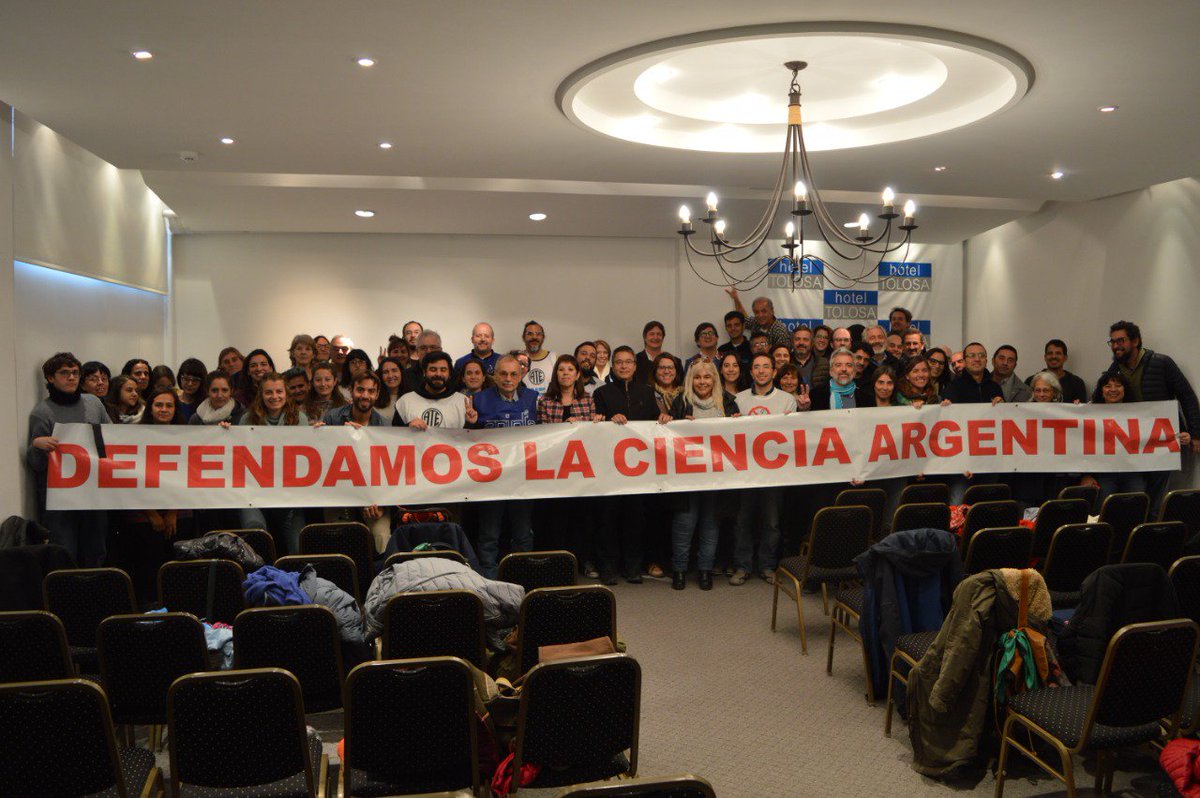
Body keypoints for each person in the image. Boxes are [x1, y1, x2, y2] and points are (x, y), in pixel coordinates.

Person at [26, 352, 111, 566]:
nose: (72, 377)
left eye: (75, 373)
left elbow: (113, 440)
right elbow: (36, 465)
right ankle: (66, 598)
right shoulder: (42, 413)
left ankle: (94, 594)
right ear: (50, 378)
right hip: (60, 499)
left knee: (96, 551)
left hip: (94, 493)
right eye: (65, 373)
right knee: (65, 552)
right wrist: (37, 446)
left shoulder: (93, 403)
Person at [662, 360, 737, 591]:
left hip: (716, 478)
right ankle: (680, 570)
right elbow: (665, 436)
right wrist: (668, 421)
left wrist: (739, 423)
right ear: (690, 380)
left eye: (706, 377)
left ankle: (705, 570)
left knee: (710, 524)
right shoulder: (679, 402)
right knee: (684, 523)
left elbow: (740, 437)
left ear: (714, 379)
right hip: (686, 478)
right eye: (697, 377)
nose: (702, 382)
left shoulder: (727, 403)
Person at [593, 346, 659, 585]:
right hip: (610, 468)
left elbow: (655, 423)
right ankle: (608, 567)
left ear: (635, 365)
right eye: (619, 362)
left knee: (635, 518)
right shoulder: (601, 393)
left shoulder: (647, 392)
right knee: (607, 518)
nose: (623, 366)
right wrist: (608, 421)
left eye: (628, 362)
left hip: (639, 469)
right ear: (612, 366)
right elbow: (595, 424)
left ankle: (633, 566)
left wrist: (663, 419)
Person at [731, 353, 797, 585]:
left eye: (766, 367)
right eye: (756, 367)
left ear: (774, 372)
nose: (761, 371)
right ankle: (742, 566)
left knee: (772, 522)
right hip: (745, 473)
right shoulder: (738, 399)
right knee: (743, 521)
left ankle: (768, 566)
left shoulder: (787, 400)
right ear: (750, 373)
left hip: (774, 474)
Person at [471, 355, 540, 578]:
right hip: (491, 478)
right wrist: (469, 422)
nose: (508, 379)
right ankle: (488, 580)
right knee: (489, 534)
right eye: (503, 374)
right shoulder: (478, 400)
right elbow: (465, 437)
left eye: (513, 374)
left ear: (521, 376)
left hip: (522, 477)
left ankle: (523, 576)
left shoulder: (533, 398)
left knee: (523, 532)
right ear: (494, 375)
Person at [124, 387, 192, 603]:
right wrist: (152, 513)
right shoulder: (133, 436)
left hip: (178, 510)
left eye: (169, 405)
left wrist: (173, 511)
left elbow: (189, 476)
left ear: (175, 409)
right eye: (159, 405)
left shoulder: (188, 436)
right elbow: (132, 478)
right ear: (150, 408)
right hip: (143, 512)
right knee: (148, 565)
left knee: (178, 566)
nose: (164, 409)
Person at [235, 372, 309, 555]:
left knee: (298, 547)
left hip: (290, 497)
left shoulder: (300, 419)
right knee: (256, 536)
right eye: (269, 392)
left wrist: (320, 435)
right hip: (255, 497)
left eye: (279, 392)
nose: (274, 397)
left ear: (286, 393)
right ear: (261, 394)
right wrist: (225, 433)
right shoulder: (247, 419)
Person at [395, 351, 473, 429]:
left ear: (449, 374)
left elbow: (472, 438)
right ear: (424, 372)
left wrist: (471, 423)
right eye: (433, 369)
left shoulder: (463, 402)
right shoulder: (405, 401)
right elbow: (393, 435)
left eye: (443, 370)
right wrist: (407, 428)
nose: (438, 374)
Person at [1021, 339, 1087, 404]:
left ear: (1065, 358)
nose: (1054, 356)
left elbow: (1082, 412)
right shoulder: (1031, 381)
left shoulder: (1077, 383)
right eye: (1050, 353)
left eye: (1058, 353)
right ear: (1045, 357)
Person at [726, 287, 790, 346]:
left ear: (772, 311)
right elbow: (743, 318)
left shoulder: (780, 331)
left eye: (764, 311)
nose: (760, 315)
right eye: (756, 312)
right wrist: (736, 299)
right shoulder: (755, 322)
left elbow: (782, 356)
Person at [521, 320, 557, 395]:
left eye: (538, 334)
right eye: (530, 334)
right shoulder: (516, 359)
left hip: (549, 405)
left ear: (543, 337)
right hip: (524, 406)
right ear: (523, 337)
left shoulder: (554, 358)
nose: (534, 337)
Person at [792, 326, 829, 390]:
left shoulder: (824, 363)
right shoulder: (786, 362)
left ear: (812, 343)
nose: (801, 343)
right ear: (792, 342)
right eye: (797, 339)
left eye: (805, 339)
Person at [374, 356, 407, 424]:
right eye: (385, 372)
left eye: (394, 370)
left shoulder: (411, 398)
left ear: (401, 372)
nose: (390, 375)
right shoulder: (374, 399)